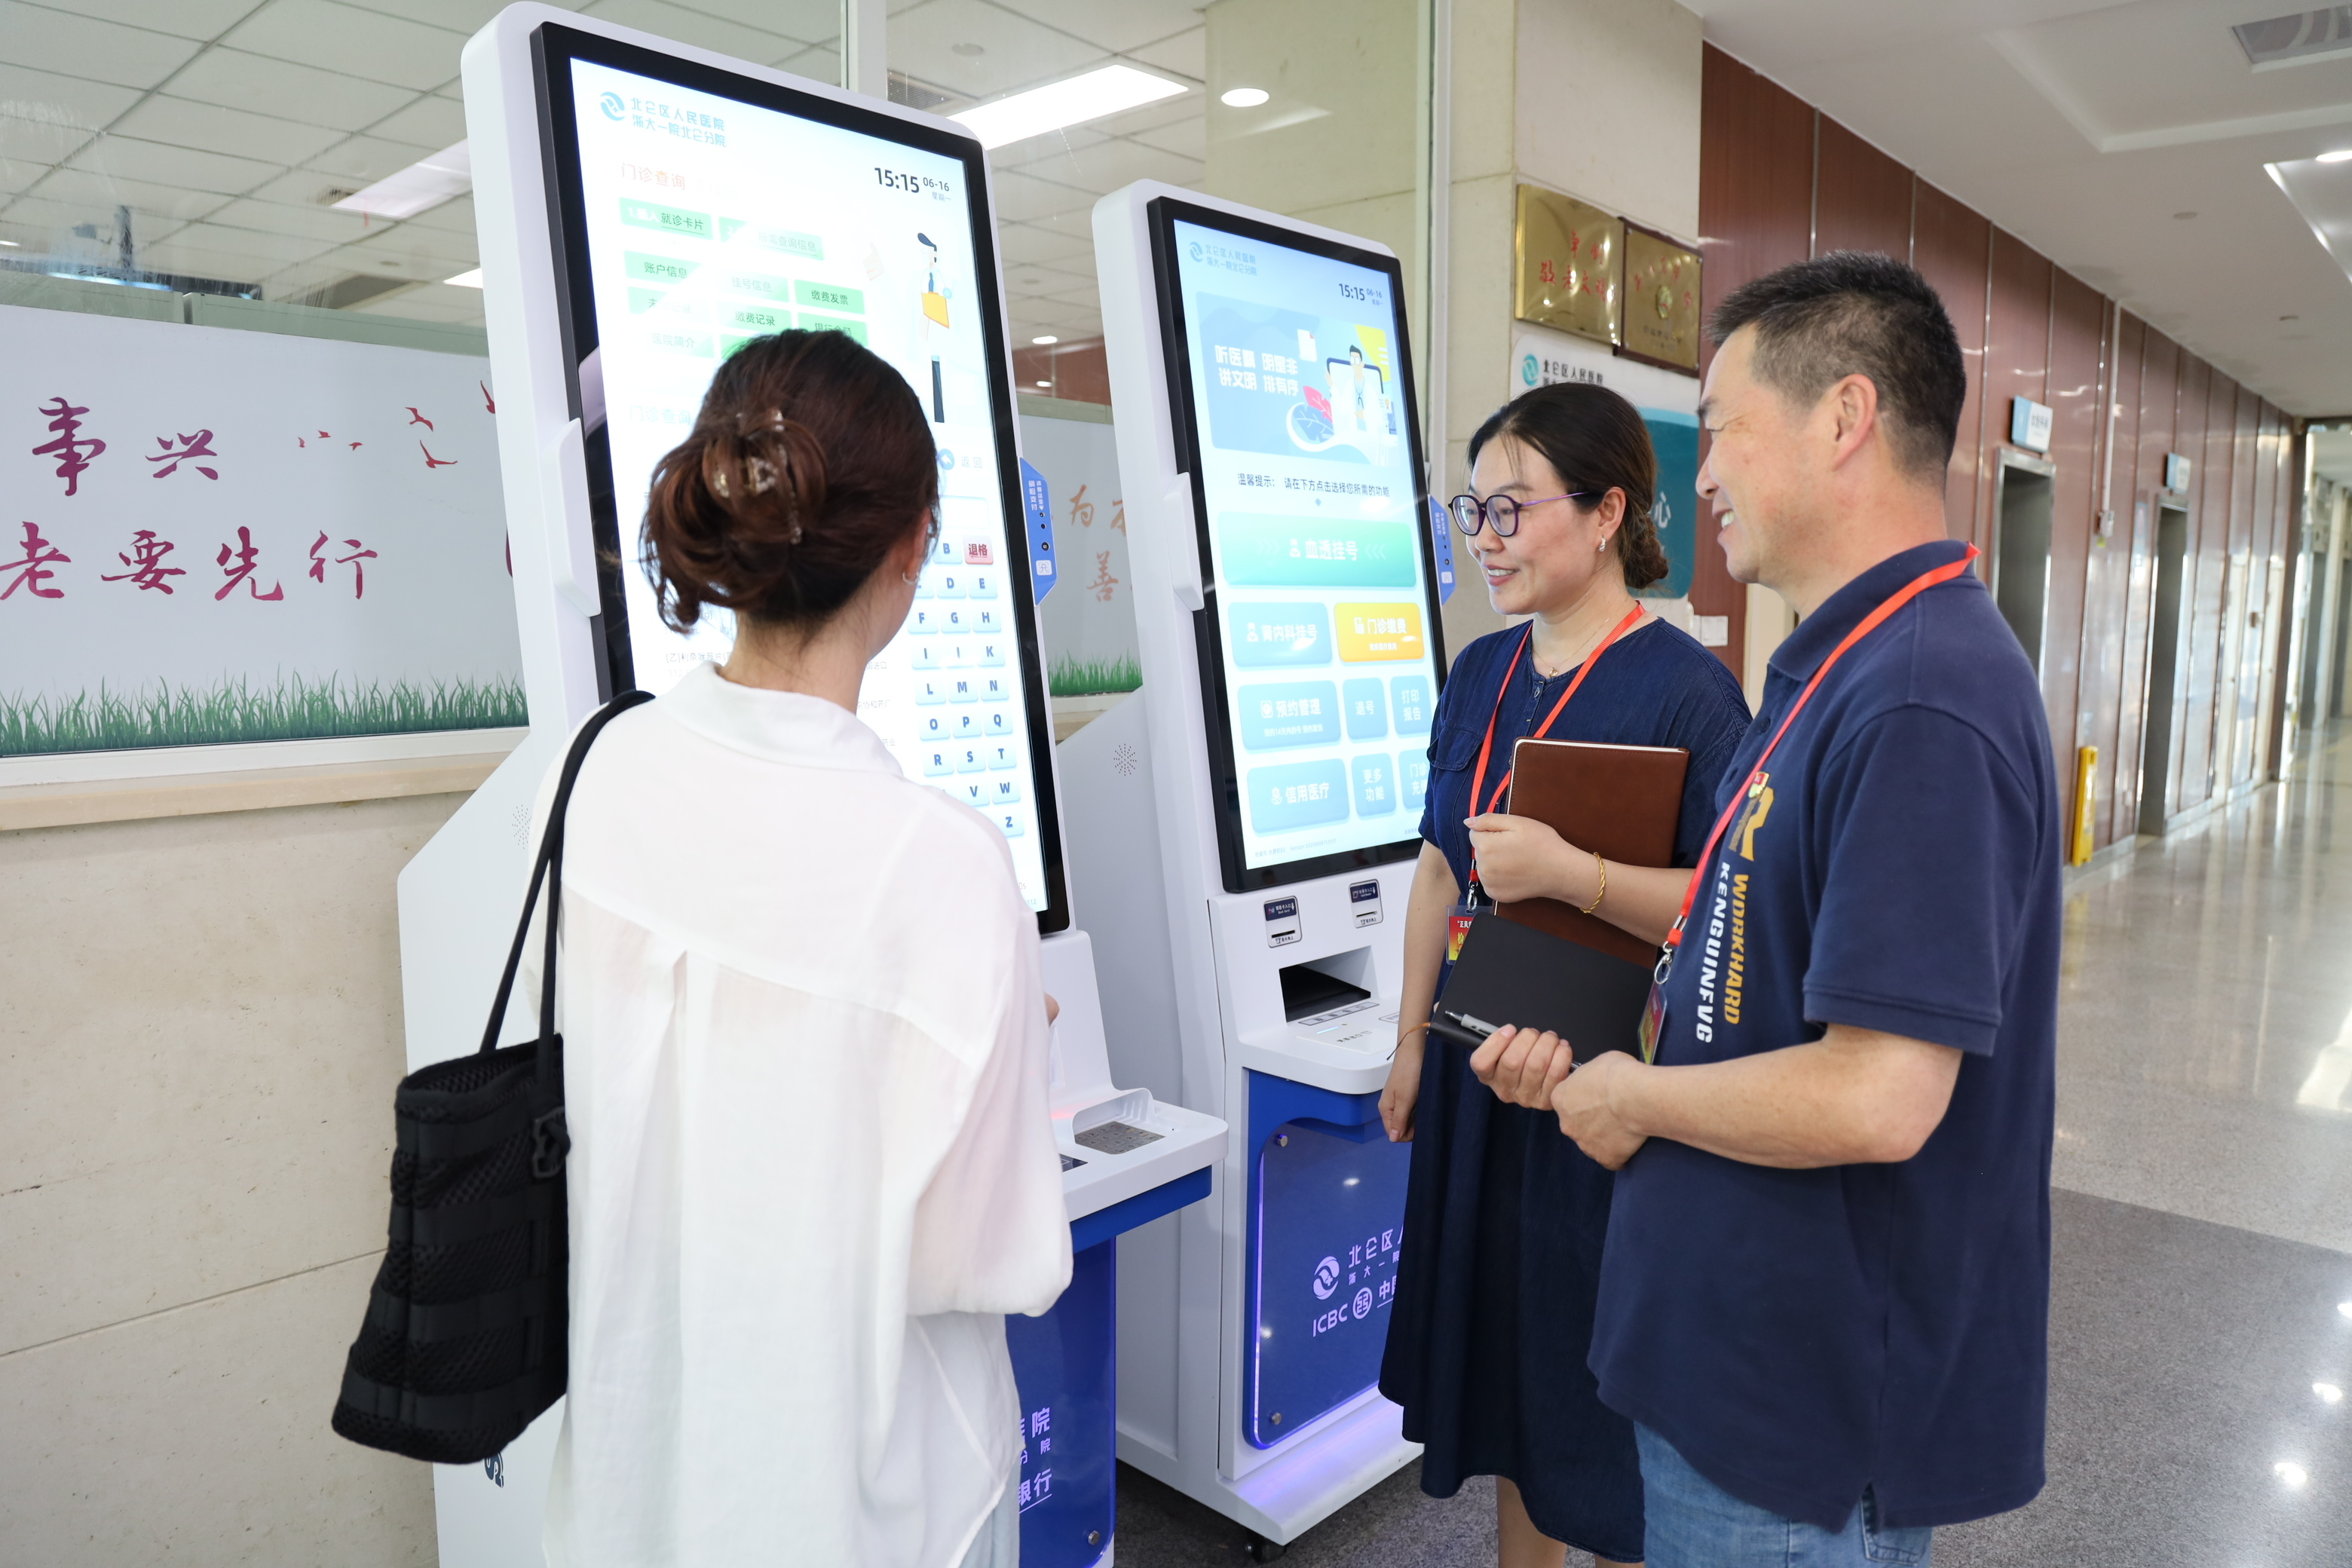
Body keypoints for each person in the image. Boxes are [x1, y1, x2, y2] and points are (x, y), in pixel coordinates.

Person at [1501, 253, 2061, 1566]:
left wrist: (1638, 1102)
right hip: (1730, 1352)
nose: (1702, 473)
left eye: (1724, 426)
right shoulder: (1839, 666)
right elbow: (1754, 955)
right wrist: (1608, 1059)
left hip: (1799, 1412)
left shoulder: (1922, 696)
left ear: (1844, 416)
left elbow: (1879, 1095)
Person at [526, 330, 1071, 1568]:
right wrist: (1005, 1058)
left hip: (634, 1460)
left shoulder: (597, 769)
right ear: (912, 545)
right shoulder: (942, 861)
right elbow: (986, 1255)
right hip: (860, 1496)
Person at [1377, 381, 1751, 1568]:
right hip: (1479, 1073)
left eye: (1513, 508)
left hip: (1601, 1101)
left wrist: (1573, 873)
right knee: (1505, 1397)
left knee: (1594, 1408)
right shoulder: (1480, 672)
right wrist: (1408, 1042)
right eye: (1473, 510)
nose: (1485, 539)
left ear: (1607, 514)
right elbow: (1439, 868)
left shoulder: (1689, 693)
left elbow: (1727, 908)